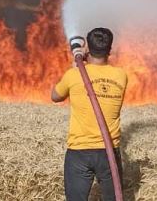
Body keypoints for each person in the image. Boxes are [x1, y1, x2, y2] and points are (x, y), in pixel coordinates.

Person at [51, 27, 128, 201]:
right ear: (110, 50)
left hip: (79, 152)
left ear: (87, 49)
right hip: (109, 153)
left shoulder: (74, 75)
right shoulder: (121, 76)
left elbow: (55, 96)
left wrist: (77, 66)